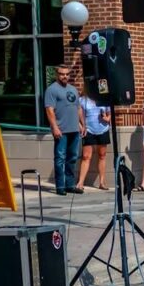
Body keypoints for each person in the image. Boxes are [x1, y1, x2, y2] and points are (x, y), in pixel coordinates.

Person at [44, 65, 84, 195]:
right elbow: (49, 110)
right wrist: (54, 127)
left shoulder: (73, 89)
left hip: (74, 129)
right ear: (57, 75)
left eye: (67, 74)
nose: (65, 76)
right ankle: (60, 187)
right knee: (60, 158)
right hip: (61, 130)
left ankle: (70, 185)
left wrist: (83, 124)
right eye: (62, 74)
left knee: (72, 158)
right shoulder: (51, 90)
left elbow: (78, 108)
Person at [76, 83, 111, 191]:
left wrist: (106, 118)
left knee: (102, 155)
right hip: (89, 130)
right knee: (86, 156)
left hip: (103, 129)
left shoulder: (104, 99)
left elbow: (110, 116)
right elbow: (77, 116)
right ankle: (80, 183)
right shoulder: (82, 100)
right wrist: (81, 126)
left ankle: (102, 182)